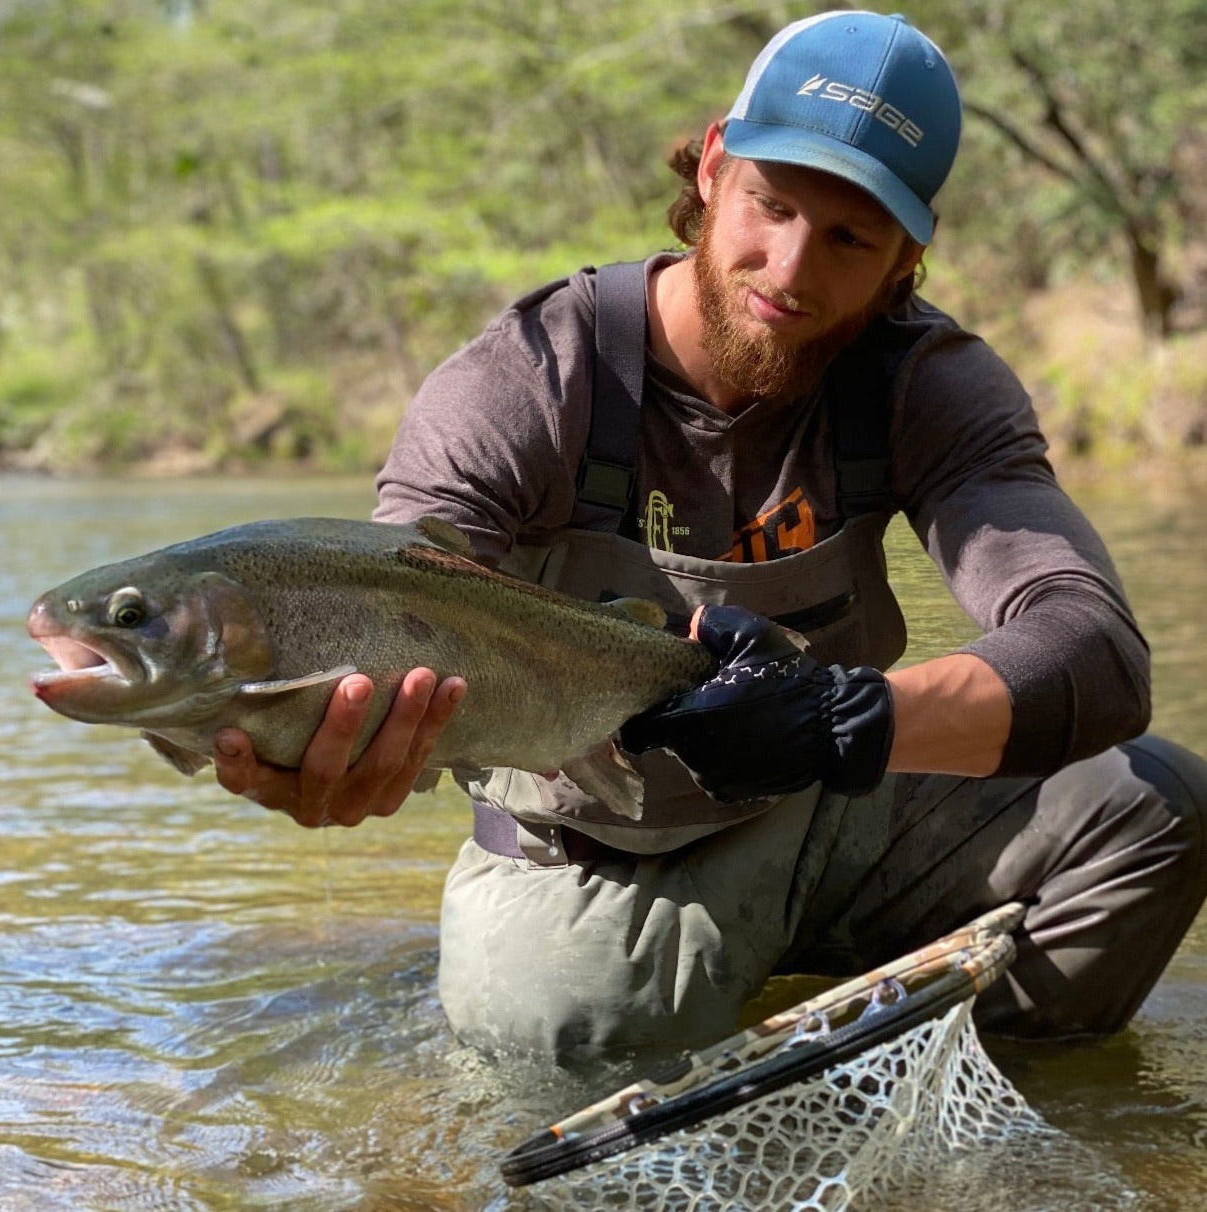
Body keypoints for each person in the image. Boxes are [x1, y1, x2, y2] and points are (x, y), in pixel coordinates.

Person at [212, 11, 1207, 1058]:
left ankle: (936, 1098)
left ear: (906, 255)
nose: (791, 269)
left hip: (824, 808)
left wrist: (837, 720)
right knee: (572, 1028)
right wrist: (326, 745)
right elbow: (389, 594)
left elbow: (1094, 655)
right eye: (772, 206)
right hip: (583, 852)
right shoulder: (530, 380)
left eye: (849, 239)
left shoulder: (927, 385)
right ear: (715, 169)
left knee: (1153, 811)